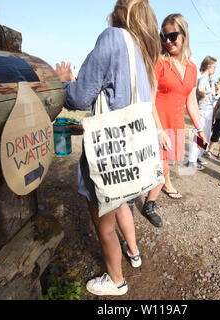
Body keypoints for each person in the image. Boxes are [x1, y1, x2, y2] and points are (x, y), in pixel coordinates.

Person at [55, 0, 169, 296]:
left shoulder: (112, 37)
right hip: (131, 153)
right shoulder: (144, 50)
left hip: (110, 154)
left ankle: (116, 281)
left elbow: (80, 99)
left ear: (119, 11)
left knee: (105, 221)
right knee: (122, 201)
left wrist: (65, 82)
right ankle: (133, 252)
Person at [141, 13, 205, 227]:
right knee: (157, 166)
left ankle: (151, 198)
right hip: (157, 123)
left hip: (176, 124)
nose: (168, 42)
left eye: (172, 36)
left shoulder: (192, 67)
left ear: (184, 35)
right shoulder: (159, 62)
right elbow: (149, 99)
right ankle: (148, 204)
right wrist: (159, 130)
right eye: (164, 37)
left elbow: (192, 101)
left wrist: (199, 127)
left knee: (167, 165)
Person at [188, 56, 218, 169]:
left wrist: (212, 79)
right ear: (209, 66)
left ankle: (197, 157)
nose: (215, 69)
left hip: (208, 110)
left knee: (204, 135)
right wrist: (203, 95)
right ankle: (192, 160)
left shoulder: (207, 79)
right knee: (199, 135)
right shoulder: (202, 78)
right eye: (214, 67)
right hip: (203, 110)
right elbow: (200, 89)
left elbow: (214, 94)